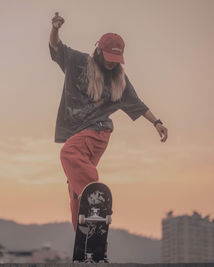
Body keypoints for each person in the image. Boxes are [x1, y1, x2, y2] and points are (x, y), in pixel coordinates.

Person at [48, 11, 168, 253]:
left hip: (97, 133)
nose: (113, 62)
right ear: (99, 50)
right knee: (74, 190)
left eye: (117, 58)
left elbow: (137, 104)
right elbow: (56, 47)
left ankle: (94, 197)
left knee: (68, 155)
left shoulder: (119, 80)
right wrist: (56, 28)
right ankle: (92, 243)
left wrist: (157, 123)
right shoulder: (78, 61)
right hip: (79, 135)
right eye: (110, 56)